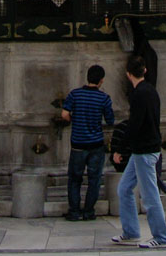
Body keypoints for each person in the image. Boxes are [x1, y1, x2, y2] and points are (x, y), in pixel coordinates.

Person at [111, 54, 166, 248]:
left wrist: (119, 149)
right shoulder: (151, 91)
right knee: (124, 188)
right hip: (143, 150)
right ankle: (131, 232)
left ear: (128, 74)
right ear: (144, 71)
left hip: (144, 151)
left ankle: (161, 237)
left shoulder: (139, 95)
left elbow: (134, 125)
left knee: (150, 195)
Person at [60, 63, 115, 221]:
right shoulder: (104, 98)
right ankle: (89, 211)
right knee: (94, 179)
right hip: (96, 144)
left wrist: (73, 120)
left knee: (75, 179)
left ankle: (74, 212)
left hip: (78, 143)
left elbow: (64, 114)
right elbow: (110, 120)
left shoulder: (75, 94)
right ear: (101, 81)